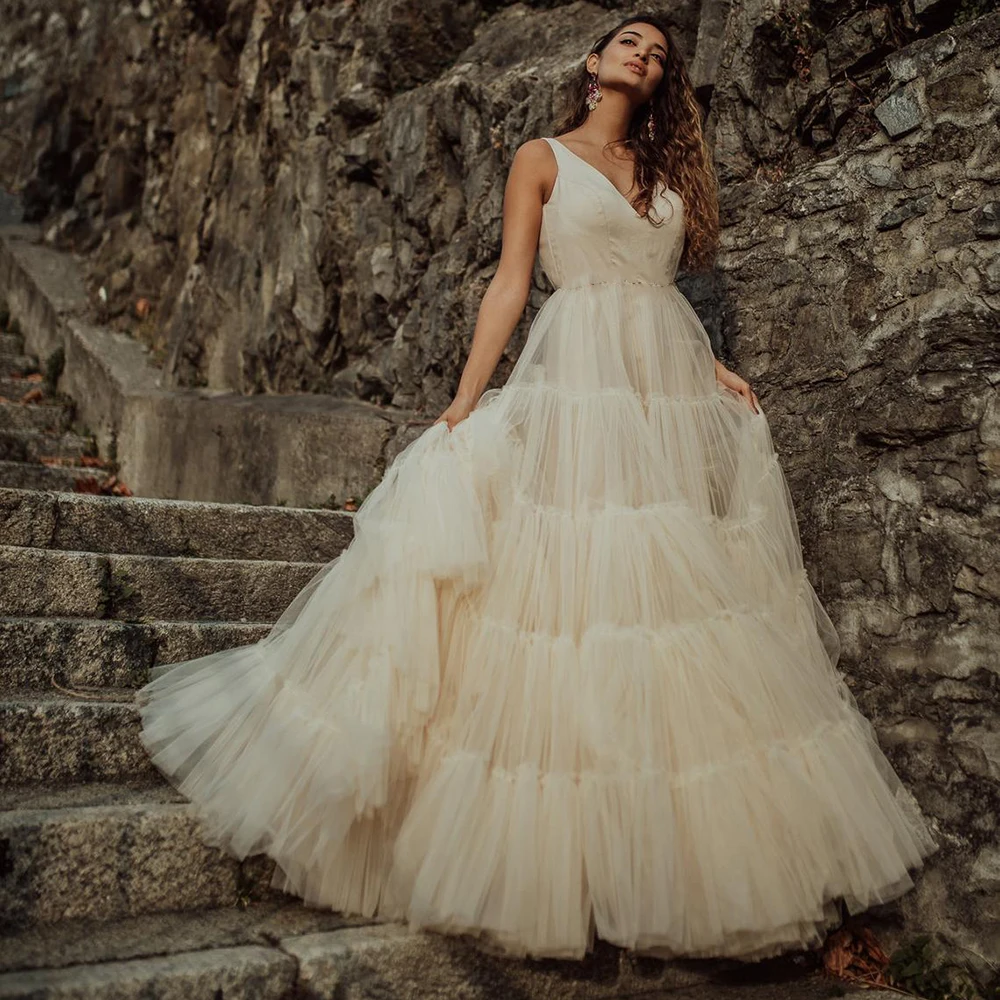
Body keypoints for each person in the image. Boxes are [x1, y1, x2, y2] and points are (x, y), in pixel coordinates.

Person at [135, 11, 939, 963]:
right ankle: (557, 864)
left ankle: (643, 862)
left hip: (662, 397)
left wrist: (712, 369)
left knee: (662, 603)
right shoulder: (541, 157)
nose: (647, 54)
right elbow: (513, 284)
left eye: (661, 52)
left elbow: (664, 291)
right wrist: (465, 400)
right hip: (576, 385)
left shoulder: (671, 173)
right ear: (593, 61)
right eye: (630, 42)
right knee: (568, 588)